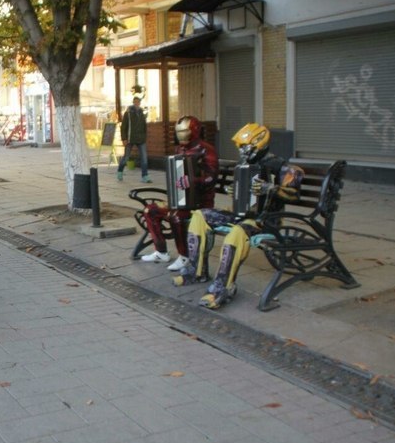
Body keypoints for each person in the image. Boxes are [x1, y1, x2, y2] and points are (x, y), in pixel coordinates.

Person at [180, 123, 305, 309]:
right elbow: (242, 192)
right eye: (239, 147)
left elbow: (295, 195)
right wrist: (235, 190)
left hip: (265, 221)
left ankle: (222, 288)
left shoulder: (281, 167)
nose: (241, 152)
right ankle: (196, 270)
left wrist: (271, 188)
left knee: (237, 233)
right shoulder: (245, 166)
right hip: (241, 217)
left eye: (244, 147)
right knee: (199, 215)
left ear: (258, 144)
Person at [139, 116, 219, 271]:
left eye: (185, 131)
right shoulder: (180, 149)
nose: (181, 135)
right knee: (150, 210)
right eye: (179, 132)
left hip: (201, 204)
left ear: (194, 131)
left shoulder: (205, 149)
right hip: (181, 200)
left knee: (176, 217)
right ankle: (161, 251)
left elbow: (211, 178)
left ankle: (185, 256)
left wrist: (193, 181)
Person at [116, 96, 151, 183]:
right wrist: (124, 139)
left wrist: (144, 136)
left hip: (141, 139)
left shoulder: (142, 113)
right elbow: (123, 127)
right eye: (135, 101)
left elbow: (144, 126)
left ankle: (145, 176)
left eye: (138, 102)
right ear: (133, 102)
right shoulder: (128, 113)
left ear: (139, 103)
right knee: (126, 157)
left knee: (144, 157)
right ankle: (120, 171)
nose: (137, 103)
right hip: (130, 139)